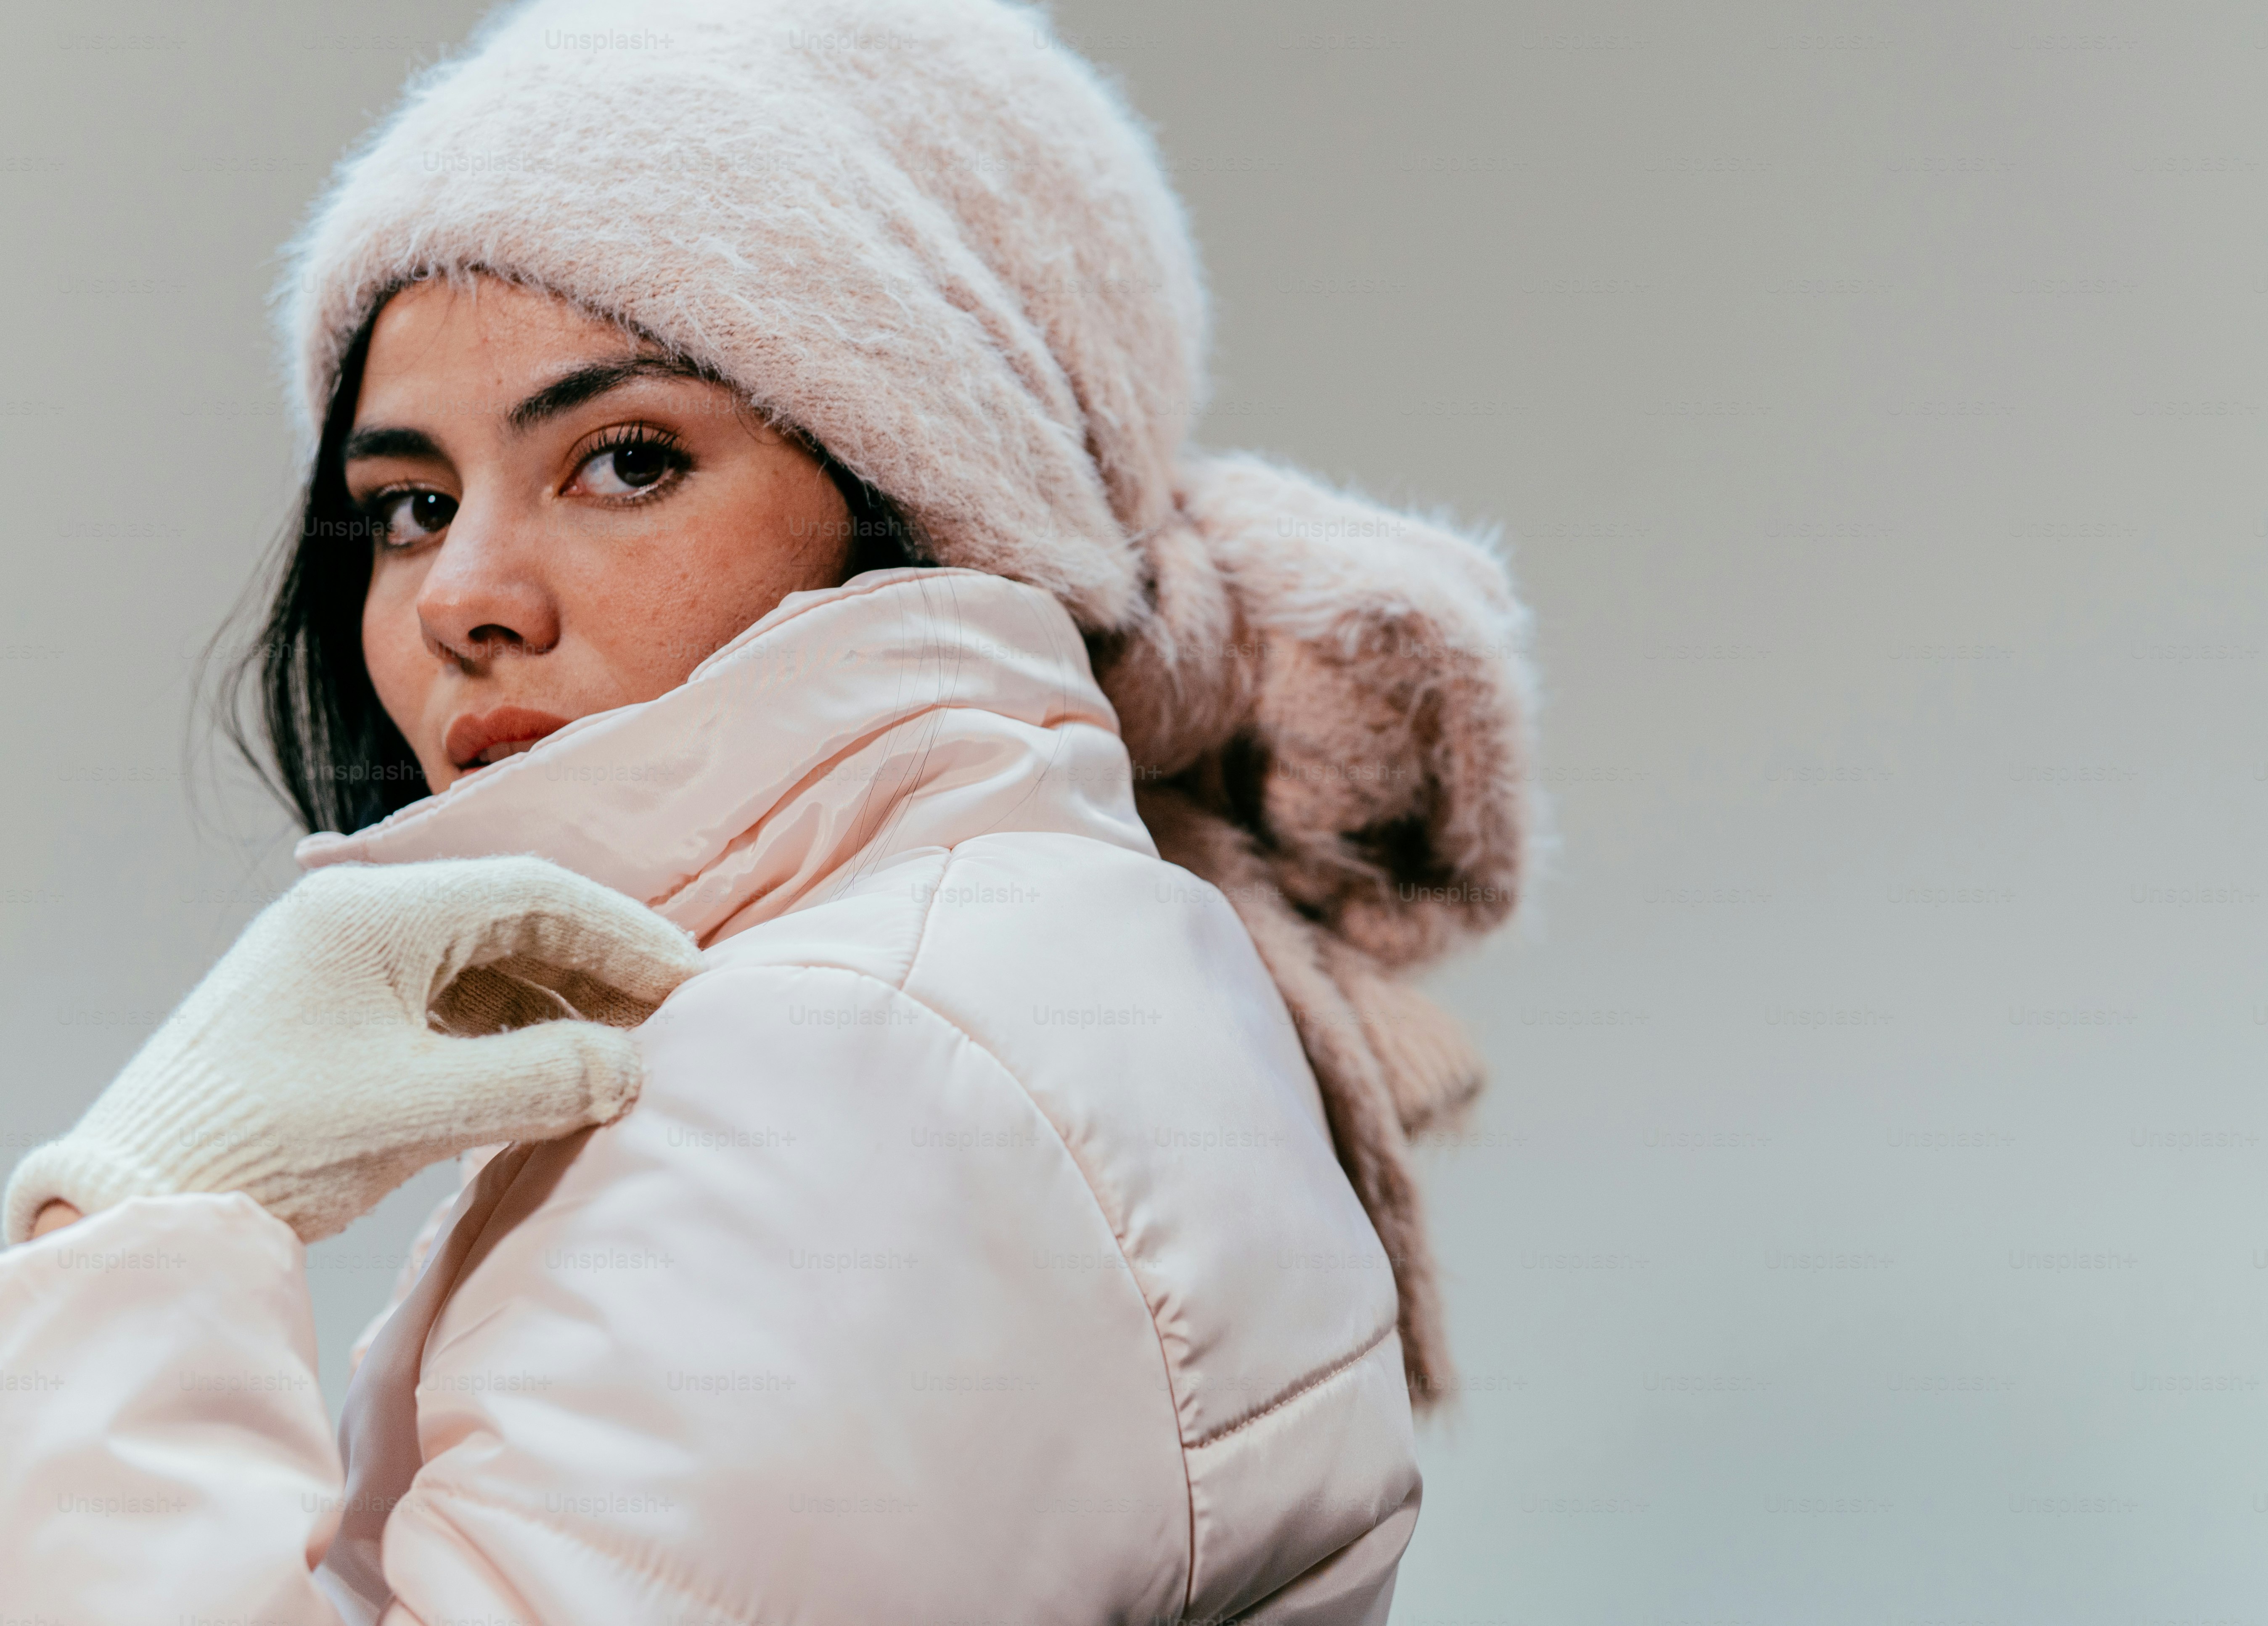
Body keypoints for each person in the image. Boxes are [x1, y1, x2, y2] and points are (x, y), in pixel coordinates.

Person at [0, 1, 1535, 1620]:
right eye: (409, 505)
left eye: (629, 460)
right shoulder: (965, 988)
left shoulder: (858, 1064)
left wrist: (143, 1222)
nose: (461, 594)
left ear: (927, 494)